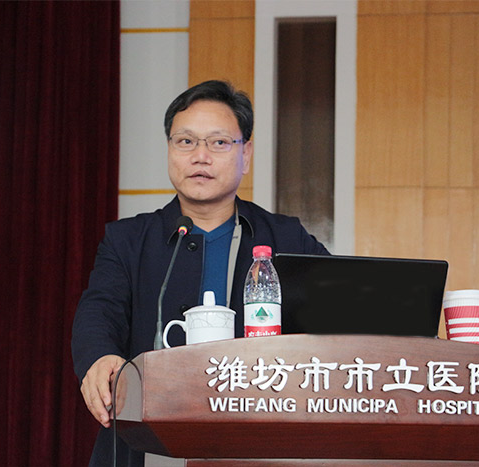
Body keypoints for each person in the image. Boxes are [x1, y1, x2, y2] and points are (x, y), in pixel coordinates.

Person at [72, 80, 329, 466]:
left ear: (246, 154)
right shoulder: (127, 240)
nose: (200, 156)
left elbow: (339, 310)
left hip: (258, 440)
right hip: (146, 442)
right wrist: (100, 356)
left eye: (219, 142)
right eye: (186, 141)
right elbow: (99, 310)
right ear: (170, 149)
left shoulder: (286, 238)